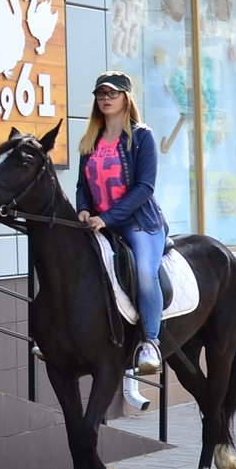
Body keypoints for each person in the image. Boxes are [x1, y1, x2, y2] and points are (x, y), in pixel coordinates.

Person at [75, 71, 168, 375]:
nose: (105, 98)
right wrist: (84, 209)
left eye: (112, 93)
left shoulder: (141, 136)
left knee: (144, 273)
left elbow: (145, 187)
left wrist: (107, 217)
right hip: (100, 223)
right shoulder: (90, 139)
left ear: (126, 98)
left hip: (139, 222)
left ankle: (151, 342)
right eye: (101, 94)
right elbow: (82, 186)